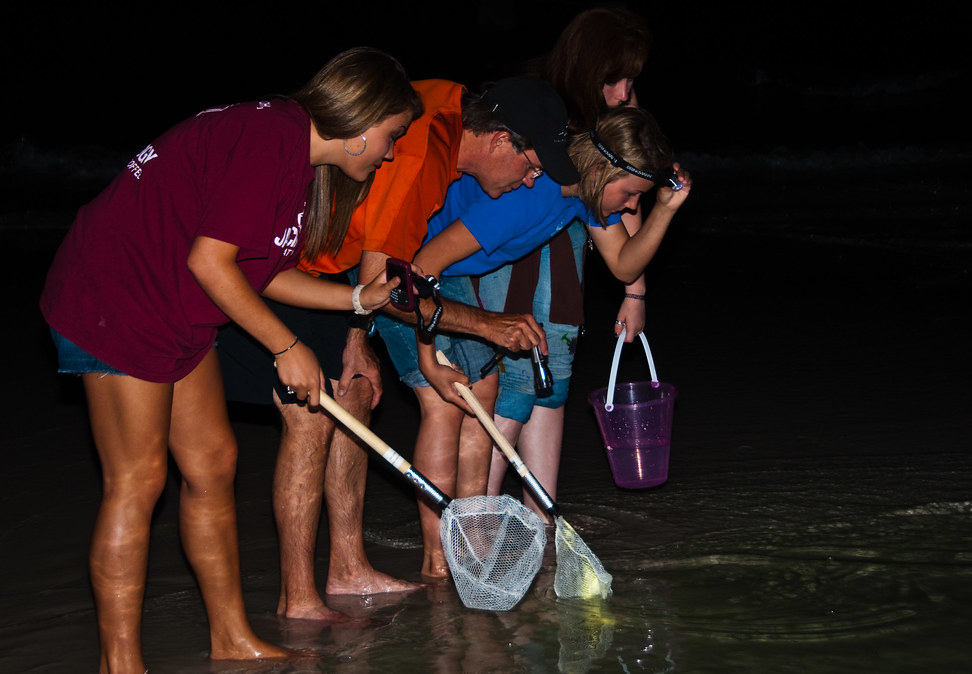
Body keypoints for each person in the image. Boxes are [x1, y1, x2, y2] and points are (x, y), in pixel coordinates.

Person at [38, 47, 418, 673]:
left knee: (214, 462)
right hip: (115, 293)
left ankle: (232, 637)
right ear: (360, 123)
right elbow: (209, 262)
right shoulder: (271, 137)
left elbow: (258, 272)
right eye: (391, 135)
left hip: (172, 299)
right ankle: (120, 663)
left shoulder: (293, 153)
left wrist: (356, 297)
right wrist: (288, 347)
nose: (392, 150)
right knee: (138, 480)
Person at [216, 75, 577, 614]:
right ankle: (298, 597)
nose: (530, 182)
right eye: (531, 166)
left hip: (340, 273)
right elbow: (388, 291)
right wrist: (485, 325)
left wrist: (360, 340)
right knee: (310, 417)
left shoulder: (451, 100)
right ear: (501, 139)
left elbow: (375, 275)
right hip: (285, 265)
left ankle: (347, 568)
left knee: (356, 392)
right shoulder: (422, 154)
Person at [376, 104, 690, 577]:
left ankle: (472, 540)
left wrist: (664, 209)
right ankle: (439, 561)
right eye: (630, 195)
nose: (630, 208)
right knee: (448, 399)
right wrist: (429, 355)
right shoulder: (527, 199)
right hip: (407, 275)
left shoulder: (580, 195)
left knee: (483, 391)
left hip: (449, 279)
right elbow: (416, 271)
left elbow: (625, 265)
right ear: (602, 172)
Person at [485, 6, 660, 520]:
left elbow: (632, 193)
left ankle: (540, 520)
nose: (625, 91)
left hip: (570, 249)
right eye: (616, 78)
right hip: (512, 251)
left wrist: (635, 293)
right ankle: (479, 516)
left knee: (553, 380)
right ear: (587, 68)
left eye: (633, 78)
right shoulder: (535, 101)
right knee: (514, 381)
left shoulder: (616, 106)